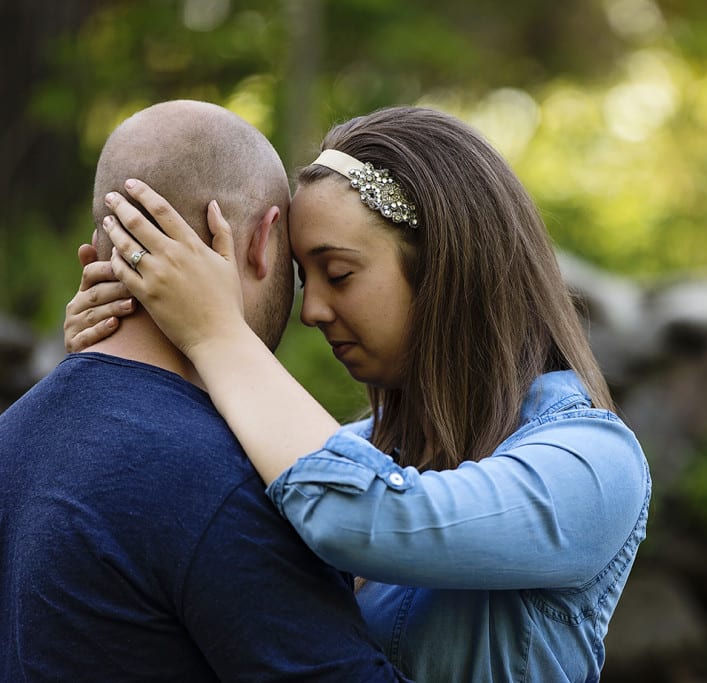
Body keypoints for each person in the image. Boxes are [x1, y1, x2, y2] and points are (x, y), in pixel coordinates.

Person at [66, 105, 651, 682]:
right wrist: (111, 367)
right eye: (303, 279)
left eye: (339, 274)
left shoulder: (593, 464)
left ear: (446, 268)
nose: (312, 311)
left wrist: (216, 333)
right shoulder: (346, 448)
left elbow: (364, 514)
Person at [2, 100, 407, 682]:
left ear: (95, 257)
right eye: (297, 268)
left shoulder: (13, 434)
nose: (311, 309)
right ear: (263, 242)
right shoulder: (228, 480)